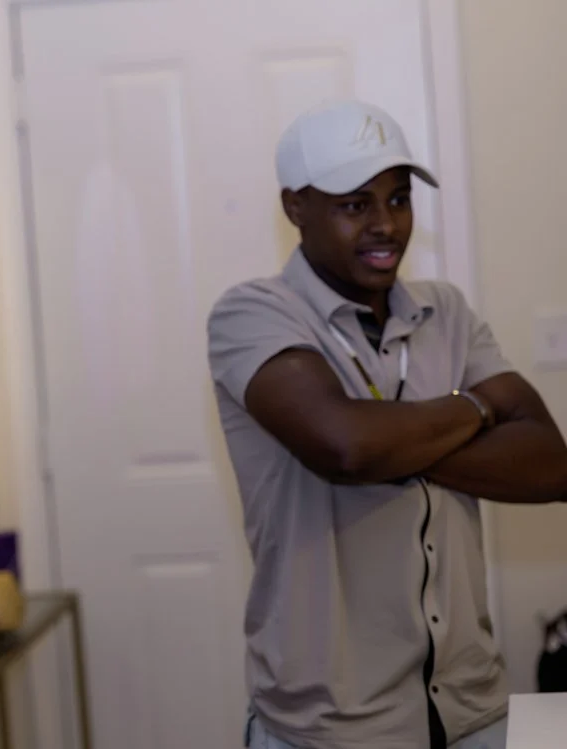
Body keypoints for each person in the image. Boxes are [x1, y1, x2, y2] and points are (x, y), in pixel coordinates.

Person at [208, 99, 567, 749]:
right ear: (296, 208)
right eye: (356, 204)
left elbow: (551, 462)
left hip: (473, 709)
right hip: (328, 727)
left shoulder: (447, 311)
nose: (386, 225)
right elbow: (344, 447)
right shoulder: (252, 316)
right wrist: (479, 408)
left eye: (398, 199)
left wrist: (389, 440)